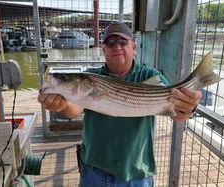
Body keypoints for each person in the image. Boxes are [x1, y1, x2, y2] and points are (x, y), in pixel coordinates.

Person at [38, 22, 202, 187]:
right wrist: (61, 105)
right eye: (110, 43)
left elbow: (178, 115)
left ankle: (202, 76)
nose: (116, 46)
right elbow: (74, 111)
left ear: (134, 47)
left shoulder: (150, 75)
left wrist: (189, 106)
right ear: (104, 50)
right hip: (94, 170)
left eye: (123, 42)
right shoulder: (92, 76)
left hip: (136, 173)